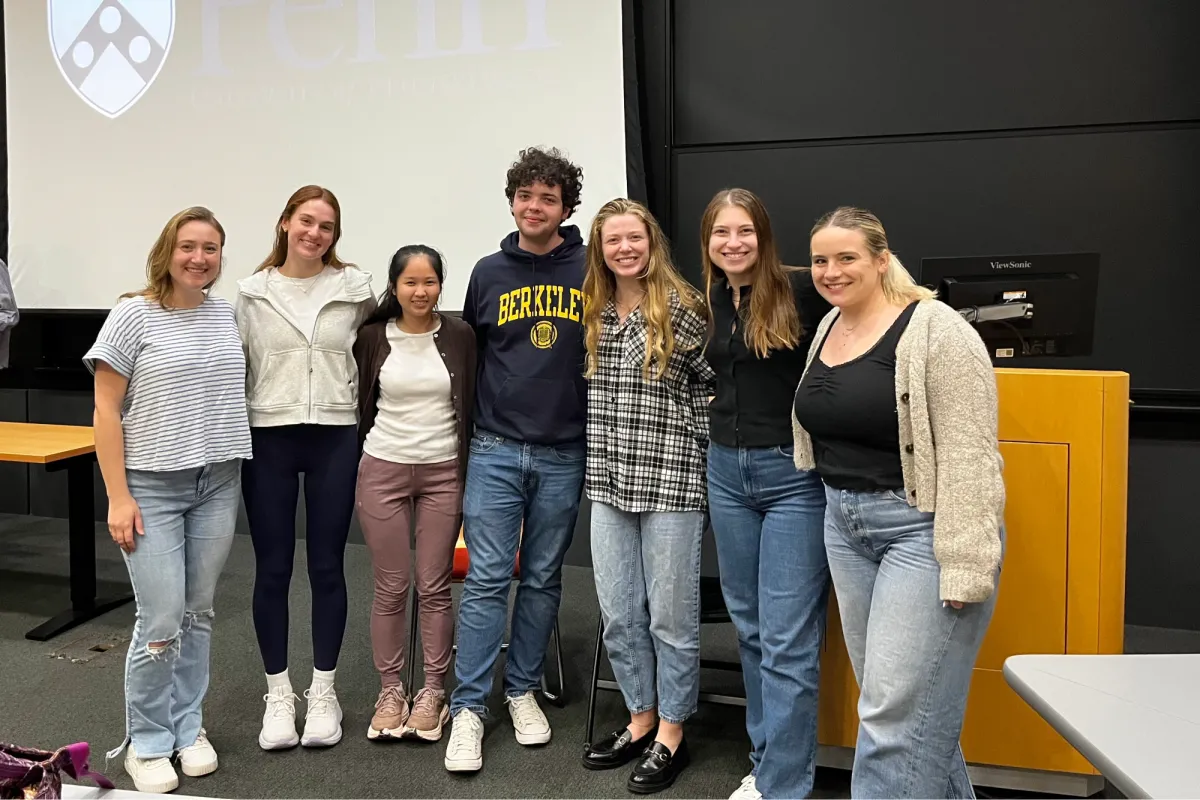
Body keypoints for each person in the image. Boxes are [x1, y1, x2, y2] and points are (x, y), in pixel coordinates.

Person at [792, 206, 1005, 798]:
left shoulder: (938, 330)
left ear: (882, 261)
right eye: (820, 260)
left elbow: (970, 454)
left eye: (846, 258)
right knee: (906, 712)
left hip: (922, 532)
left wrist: (967, 563)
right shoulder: (830, 326)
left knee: (890, 716)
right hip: (847, 525)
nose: (831, 271)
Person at [84, 207, 252, 794]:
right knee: (159, 618)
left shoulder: (224, 315)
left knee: (198, 613)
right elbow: (106, 410)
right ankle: (148, 740)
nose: (199, 258)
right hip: (151, 485)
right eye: (188, 246)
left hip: (216, 482)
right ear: (167, 250)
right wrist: (119, 496)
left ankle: (188, 726)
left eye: (210, 248)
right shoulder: (133, 314)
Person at [443, 146, 588, 773]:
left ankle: (522, 687)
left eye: (548, 198)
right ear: (512, 201)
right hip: (497, 448)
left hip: (564, 450)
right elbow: (474, 354)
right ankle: (470, 708)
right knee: (486, 579)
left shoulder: (592, 268)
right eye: (525, 196)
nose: (535, 207)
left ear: (564, 207)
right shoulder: (487, 271)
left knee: (544, 577)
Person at [700, 188, 833, 800]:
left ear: (763, 235)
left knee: (785, 638)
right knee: (750, 629)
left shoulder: (803, 289)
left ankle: (782, 785)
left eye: (744, 231)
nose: (734, 243)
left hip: (791, 479)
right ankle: (768, 761)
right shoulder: (711, 298)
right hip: (725, 473)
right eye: (721, 232)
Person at [579, 198, 715, 794]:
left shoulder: (682, 307)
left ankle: (671, 731)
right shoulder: (596, 309)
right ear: (600, 250)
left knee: (671, 618)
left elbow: (713, 389)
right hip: (607, 481)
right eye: (613, 241)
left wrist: (698, 447)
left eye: (634, 238)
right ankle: (637, 719)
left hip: (671, 481)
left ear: (651, 242)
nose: (625, 249)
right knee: (618, 612)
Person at [235, 185, 375, 751]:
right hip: (268, 437)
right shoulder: (250, 293)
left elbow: (373, 354)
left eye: (326, 226)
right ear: (284, 223)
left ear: (335, 236)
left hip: (335, 438)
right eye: (306, 221)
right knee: (271, 570)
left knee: (326, 566)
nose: (314, 233)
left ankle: (323, 691)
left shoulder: (355, 289)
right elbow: (238, 367)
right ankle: (277, 694)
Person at [352, 245, 476, 742]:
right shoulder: (371, 338)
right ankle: (389, 690)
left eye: (430, 282)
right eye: (410, 283)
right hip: (382, 468)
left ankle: (431, 691)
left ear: (441, 286)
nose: (420, 292)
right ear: (395, 286)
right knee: (390, 585)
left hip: (443, 472)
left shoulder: (462, 336)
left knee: (434, 585)